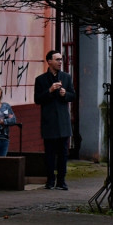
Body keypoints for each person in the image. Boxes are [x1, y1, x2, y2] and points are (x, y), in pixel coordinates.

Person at [35, 49, 76, 190]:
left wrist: (65, 94)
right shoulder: (40, 80)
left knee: (63, 153)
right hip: (49, 122)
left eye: (61, 59)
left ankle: (62, 180)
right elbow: (37, 99)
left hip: (63, 122)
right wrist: (50, 91)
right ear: (49, 61)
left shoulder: (66, 77)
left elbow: (73, 95)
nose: (60, 62)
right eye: (57, 59)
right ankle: (50, 180)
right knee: (50, 154)